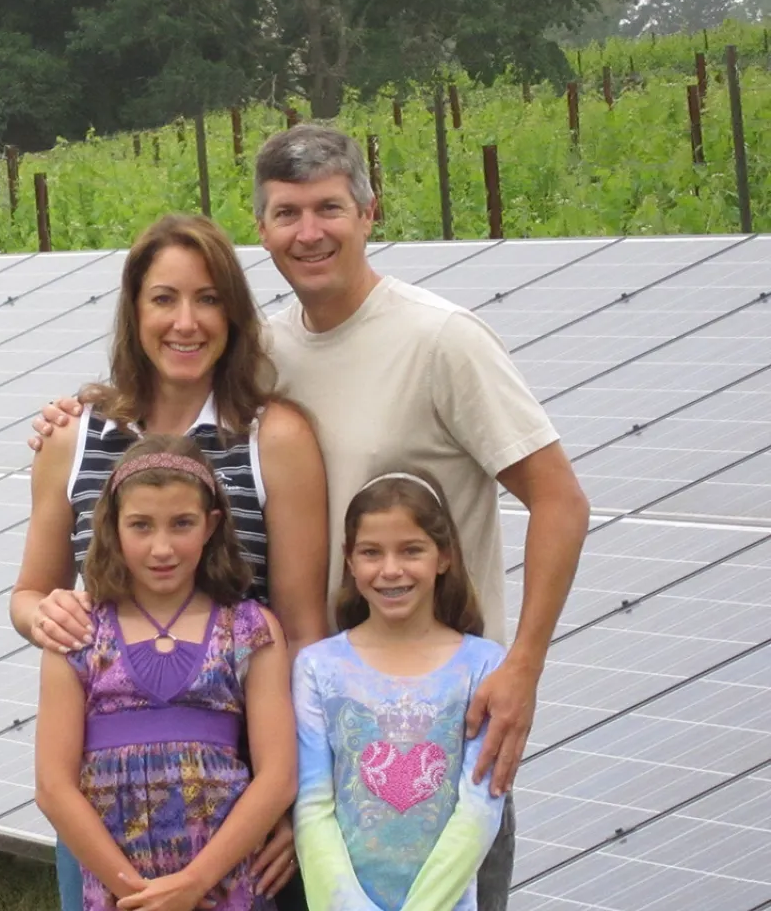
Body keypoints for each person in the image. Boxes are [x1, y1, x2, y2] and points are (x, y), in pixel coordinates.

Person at [34, 126, 589, 910]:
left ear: (370, 212)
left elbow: (561, 500)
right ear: (261, 229)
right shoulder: (268, 361)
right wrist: (75, 413)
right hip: (318, 723)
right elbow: (170, 396)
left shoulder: (441, 340)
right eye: (287, 213)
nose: (310, 231)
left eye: (329, 207)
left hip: (440, 716)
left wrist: (523, 667)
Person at [13, 213, 329, 910]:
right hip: (103, 788)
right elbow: (30, 594)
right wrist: (50, 614)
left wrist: (296, 795)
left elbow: (304, 631)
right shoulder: (73, 438)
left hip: (239, 784)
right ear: (134, 311)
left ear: (235, 314)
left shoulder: (273, 437)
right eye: (164, 298)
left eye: (208, 298)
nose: (186, 322)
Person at [35, 435, 296, 911]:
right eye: (141, 525)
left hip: (223, 885)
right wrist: (139, 894)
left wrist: (193, 884)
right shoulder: (77, 634)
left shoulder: (251, 630)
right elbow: (53, 785)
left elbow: (278, 776)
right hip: (117, 891)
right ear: (113, 527)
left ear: (211, 525)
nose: (162, 547)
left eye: (181, 524)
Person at [294, 471, 506, 911]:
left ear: (443, 556)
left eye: (411, 550)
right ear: (350, 561)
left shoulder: (484, 665)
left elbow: (479, 806)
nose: (391, 570)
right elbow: (313, 805)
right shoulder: (318, 667)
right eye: (371, 552)